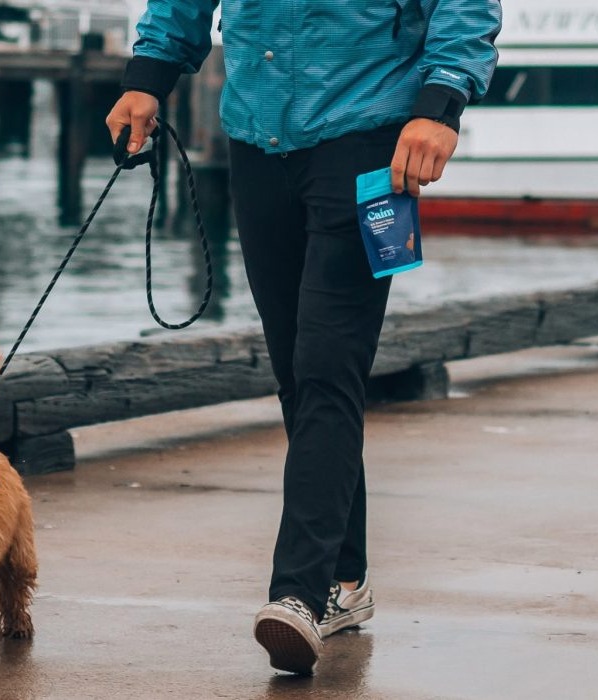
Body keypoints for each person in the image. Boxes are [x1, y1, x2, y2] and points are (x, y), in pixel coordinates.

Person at [106, 0, 501, 675]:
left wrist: (440, 106)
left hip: (370, 138)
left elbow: (465, 8)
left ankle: (300, 591)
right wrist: (149, 75)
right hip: (259, 137)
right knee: (298, 368)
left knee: (326, 365)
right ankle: (347, 581)